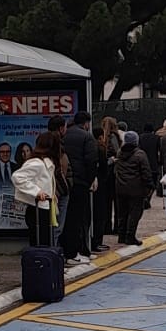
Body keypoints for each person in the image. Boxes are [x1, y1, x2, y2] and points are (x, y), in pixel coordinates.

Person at [62, 111, 99, 262]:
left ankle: (67, 250)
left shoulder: (64, 135)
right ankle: (74, 252)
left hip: (65, 182)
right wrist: (89, 181)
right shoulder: (87, 137)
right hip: (80, 183)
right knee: (79, 219)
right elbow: (91, 161)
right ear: (86, 123)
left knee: (66, 218)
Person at [11, 134, 60, 244]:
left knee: (44, 241)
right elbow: (17, 177)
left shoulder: (44, 162)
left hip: (44, 207)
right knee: (40, 242)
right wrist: (36, 191)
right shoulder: (38, 163)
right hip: (38, 208)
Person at [113, 130, 153, 246]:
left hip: (120, 188)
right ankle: (130, 236)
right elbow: (146, 172)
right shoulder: (140, 154)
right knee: (135, 213)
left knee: (122, 213)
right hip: (136, 189)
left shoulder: (119, 153)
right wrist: (149, 185)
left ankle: (121, 236)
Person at [92, 116, 121, 250]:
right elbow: (117, 153)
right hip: (111, 172)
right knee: (114, 200)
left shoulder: (99, 137)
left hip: (104, 175)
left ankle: (106, 226)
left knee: (106, 202)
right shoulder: (114, 137)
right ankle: (114, 226)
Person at [139, 122, 162, 189]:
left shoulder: (140, 137)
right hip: (153, 164)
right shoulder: (157, 138)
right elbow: (160, 150)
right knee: (153, 183)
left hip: (142, 164)